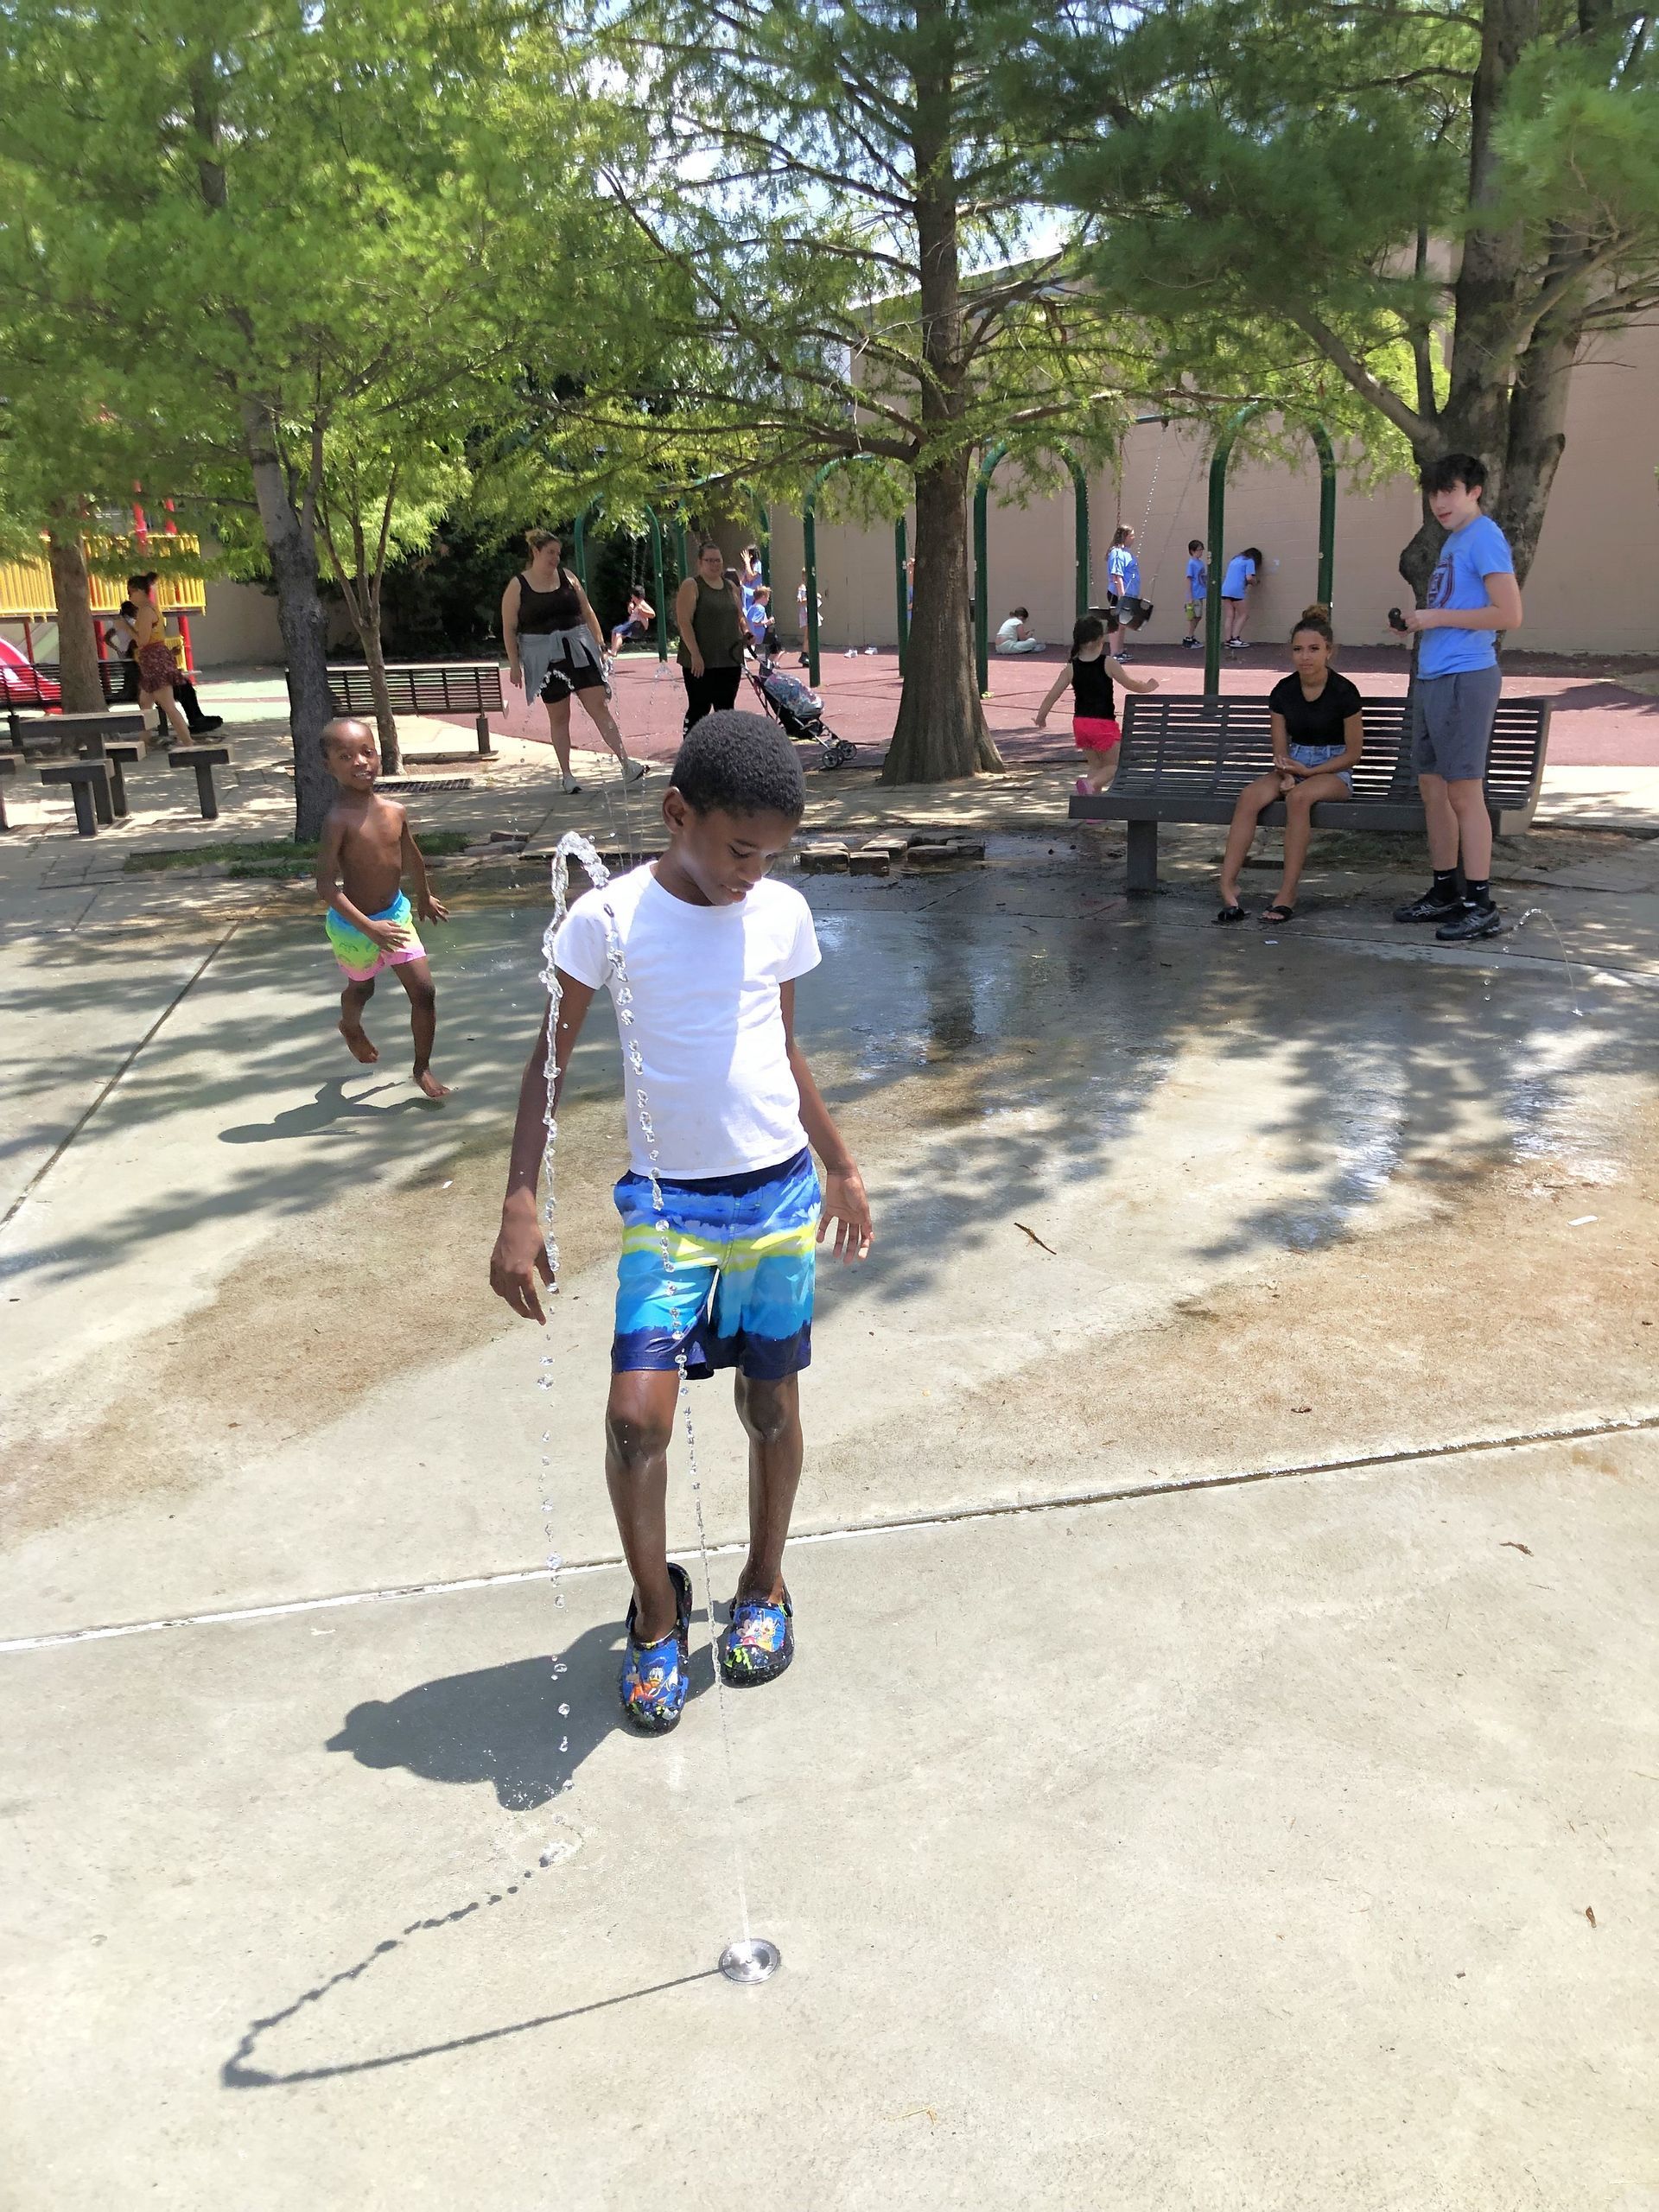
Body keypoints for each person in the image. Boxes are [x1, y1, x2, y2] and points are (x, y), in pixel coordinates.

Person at [488, 709, 874, 1731]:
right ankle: (657, 1616)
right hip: (668, 1207)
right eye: (739, 847)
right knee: (633, 1420)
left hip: (778, 1194)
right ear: (677, 813)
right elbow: (550, 1063)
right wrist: (520, 1199)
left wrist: (838, 1160)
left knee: (771, 1405)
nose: (755, 871)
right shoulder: (605, 921)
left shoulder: (780, 913)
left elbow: (782, 1052)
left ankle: (763, 1583)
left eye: (771, 854)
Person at [1394, 453, 1524, 944]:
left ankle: (1480, 903)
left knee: (1464, 792)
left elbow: (1509, 614)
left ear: (1475, 491)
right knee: (1433, 788)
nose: (1440, 501)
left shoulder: (1484, 535)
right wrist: (1417, 621)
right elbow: (1457, 606)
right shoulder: (1454, 541)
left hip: (1465, 677)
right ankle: (1446, 890)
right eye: (1433, 492)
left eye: (1450, 490)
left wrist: (1436, 619)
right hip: (1435, 676)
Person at [314, 717, 450, 1099]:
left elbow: (412, 857)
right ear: (329, 767)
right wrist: (368, 929)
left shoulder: (395, 810)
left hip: (395, 915)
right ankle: (350, 1025)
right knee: (362, 987)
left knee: (424, 991)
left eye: (366, 752)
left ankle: (421, 1068)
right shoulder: (336, 820)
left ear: (378, 755)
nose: (360, 762)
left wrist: (423, 894)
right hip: (353, 925)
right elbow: (325, 885)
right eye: (345, 756)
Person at [1216, 606, 1363, 925]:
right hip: (1294, 763)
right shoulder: (1283, 691)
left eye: (1314, 649)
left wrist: (1307, 774)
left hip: (1333, 769)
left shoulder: (1344, 692)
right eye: (1298, 649)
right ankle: (1227, 885)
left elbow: (1353, 754)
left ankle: (1287, 892)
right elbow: (1280, 750)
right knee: (1249, 797)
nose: (1305, 657)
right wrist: (1285, 773)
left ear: (1329, 651)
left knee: (1299, 799)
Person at [502, 528, 647, 797]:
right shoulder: (518, 586)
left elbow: (588, 611)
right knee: (560, 716)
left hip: (578, 649)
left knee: (598, 707)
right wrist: (514, 664)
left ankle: (626, 763)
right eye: (550, 553)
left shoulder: (568, 578)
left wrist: (601, 646)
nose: (556, 558)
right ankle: (567, 775)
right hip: (544, 656)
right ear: (536, 552)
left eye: (558, 553)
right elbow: (509, 627)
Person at [1033, 609, 1160, 796]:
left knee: (1095, 765)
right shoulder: (1108, 663)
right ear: (1098, 641)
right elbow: (1130, 684)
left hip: (1081, 724)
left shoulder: (1071, 667)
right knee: (1115, 765)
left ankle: (1093, 809)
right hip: (1103, 724)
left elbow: (1052, 695)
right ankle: (1091, 785)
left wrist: (1041, 717)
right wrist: (1148, 686)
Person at [111, 596, 223, 730]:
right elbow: (149, 666)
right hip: (149, 685)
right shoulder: (137, 642)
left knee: (184, 686)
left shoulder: (134, 641)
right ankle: (194, 722)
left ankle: (194, 721)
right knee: (184, 689)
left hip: (144, 684)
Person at [676, 537, 748, 730]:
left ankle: (724, 751)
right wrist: (695, 655)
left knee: (726, 709)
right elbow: (684, 622)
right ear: (700, 563)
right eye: (710, 560)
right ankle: (692, 750)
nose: (715, 564)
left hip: (729, 659)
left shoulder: (731, 587)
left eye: (718, 560)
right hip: (701, 662)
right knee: (700, 708)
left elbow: (740, 616)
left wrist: (747, 632)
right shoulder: (692, 586)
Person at [127, 571, 192, 744]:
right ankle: (144, 742)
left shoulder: (146, 611)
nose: (129, 597)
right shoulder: (150, 608)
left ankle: (188, 743)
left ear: (139, 591)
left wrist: (126, 628)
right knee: (145, 703)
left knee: (169, 707)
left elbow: (143, 640)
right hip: (152, 660)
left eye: (130, 592)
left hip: (154, 660)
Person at [1105, 524, 1150, 632]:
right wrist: (1122, 597)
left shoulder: (1127, 552)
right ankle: (1116, 649)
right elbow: (1117, 576)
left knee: (1124, 623)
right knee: (1117, 624)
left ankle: (1119, 649)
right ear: (1125, 536)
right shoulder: (1117, 552)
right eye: (1132, 535)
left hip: (1128, 595)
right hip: (1119, 594)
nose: (1134, 538)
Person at [1221, 547, 1263, 647]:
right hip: (1237, 590)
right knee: (1244, 614)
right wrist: (1255, 582)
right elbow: (1249, 578)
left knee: (1230, 615)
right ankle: (1235, 638)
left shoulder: (1235, 560)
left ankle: (1228, 640)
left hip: (1225, 589)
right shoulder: (1250, 561)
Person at [610, 586, 655, 654]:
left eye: (632, 595)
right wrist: (630, 609)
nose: (631, 597)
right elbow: (633, 614)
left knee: (619, 634)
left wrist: (642, 611)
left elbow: (652, 614)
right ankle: (614, 648)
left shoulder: (642, 604)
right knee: (615, 631)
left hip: (639, 627)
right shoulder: (636, 604)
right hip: (633, 624)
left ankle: (613, 652)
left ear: (634, 596)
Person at [1182, 540, 1208, 648]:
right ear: (1192, 551)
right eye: (1199, 550)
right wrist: (1189, 596)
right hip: (1195, 593)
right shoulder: (1192, 563)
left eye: (1202, 550)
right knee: (1194, 616)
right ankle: (1189, 637)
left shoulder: (1200, 562)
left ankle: (1190, 636)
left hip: (1200, 592)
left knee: (1198, 616)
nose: (1201, 552)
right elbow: (1189, 578)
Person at [796, 569, 823, 665]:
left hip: (811, 611)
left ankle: (807, 654)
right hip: (806, 613)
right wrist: (811, 597)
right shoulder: (802, 588)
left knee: (811, 634)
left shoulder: (809, 587)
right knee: (808, 635)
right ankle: (804, 654)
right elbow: (799, 601)